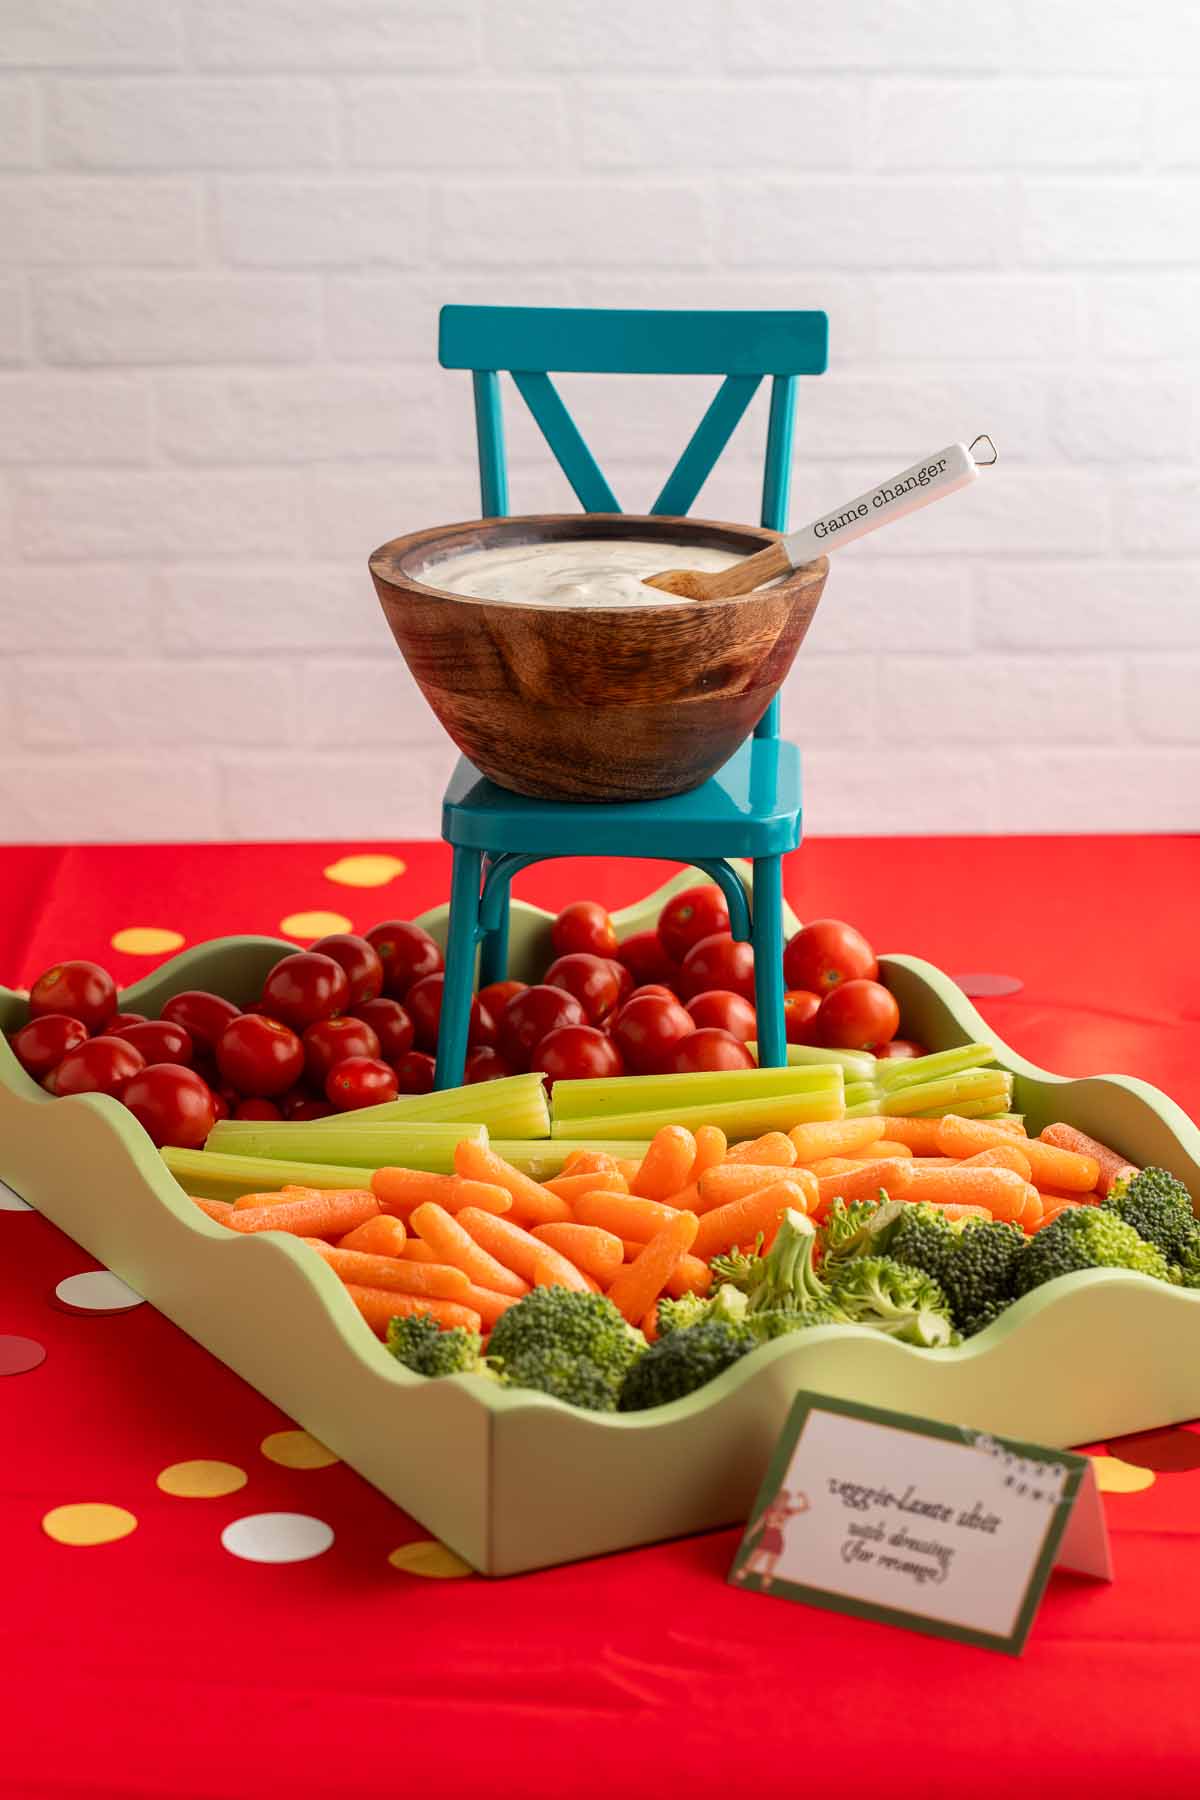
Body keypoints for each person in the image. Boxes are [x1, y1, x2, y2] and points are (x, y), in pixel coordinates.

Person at [735, 1486, 810, 1590]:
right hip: (766, 1539)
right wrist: (749, 1535)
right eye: (781, 1499)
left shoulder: (788, 1511)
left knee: (769, 1567)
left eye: (786, 1500)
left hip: (777, 1541)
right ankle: (738, 1580)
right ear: (777, 1499)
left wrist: (804, 1497)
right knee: (752, 1562)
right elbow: (759, 1524)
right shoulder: (769, 1510)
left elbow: (806, 1508)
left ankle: (765, 1587)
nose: (783, 1502)